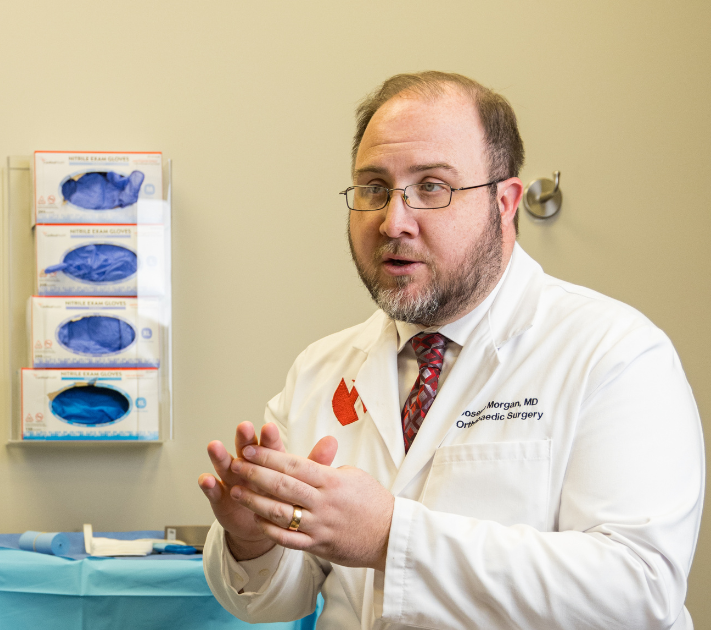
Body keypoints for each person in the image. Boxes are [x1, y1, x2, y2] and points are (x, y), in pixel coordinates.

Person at [198, 71, 704, 629]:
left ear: (505, 202)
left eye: (432, 186)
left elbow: (639, 591)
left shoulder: (615, 353)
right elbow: (275, 602)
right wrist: (254, 542)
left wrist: (392, 537)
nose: (394, 220)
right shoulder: (323, 368)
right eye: (373, 187)